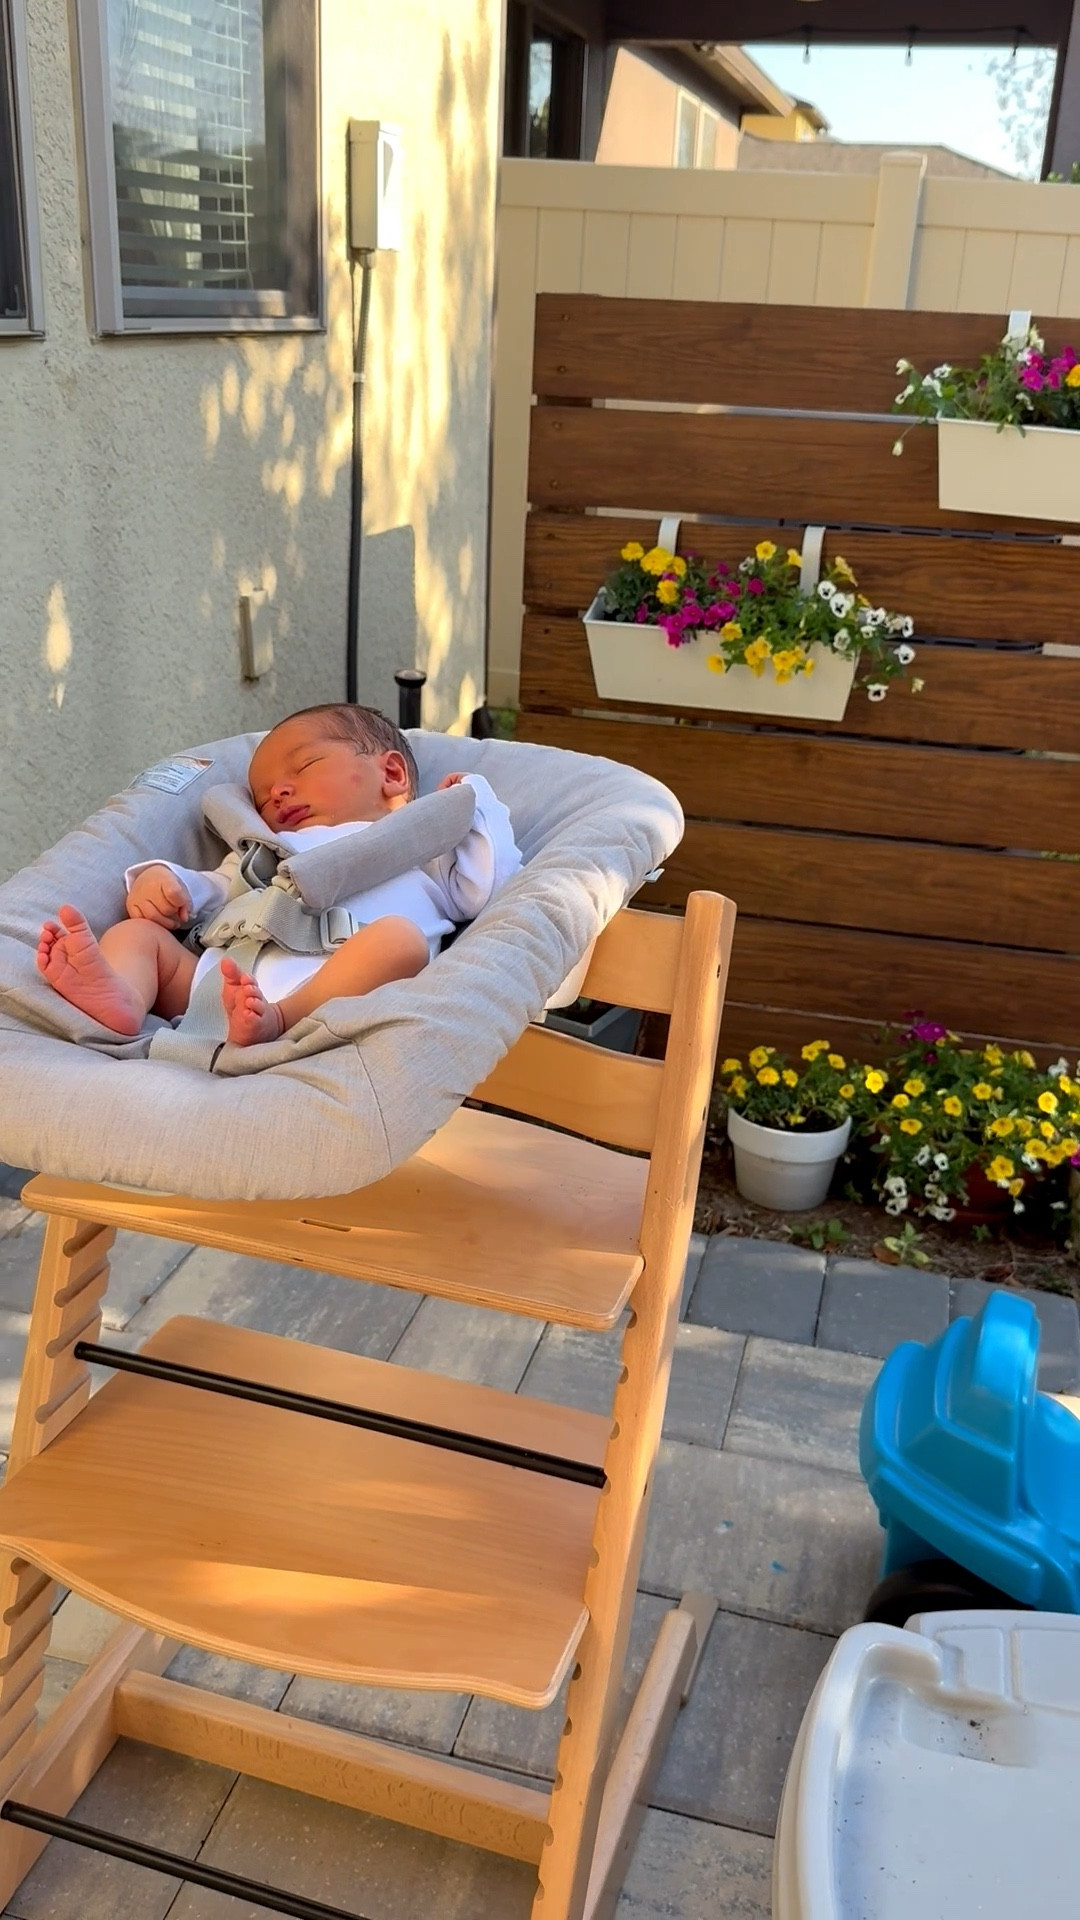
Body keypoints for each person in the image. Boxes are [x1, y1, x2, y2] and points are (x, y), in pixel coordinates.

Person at [37, 703, 522, 1048]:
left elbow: (489, 883)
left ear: (392, 775)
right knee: (137, 936)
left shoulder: (423, 849)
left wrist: (472, 800)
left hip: (331, 989)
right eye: (263, 795)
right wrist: (165, 882)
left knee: (401, 940)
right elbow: (218, 889)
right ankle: (124, 998)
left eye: (305, 766)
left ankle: (280, 1019)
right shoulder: (266, 852)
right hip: (216, 983)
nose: (278, 793)